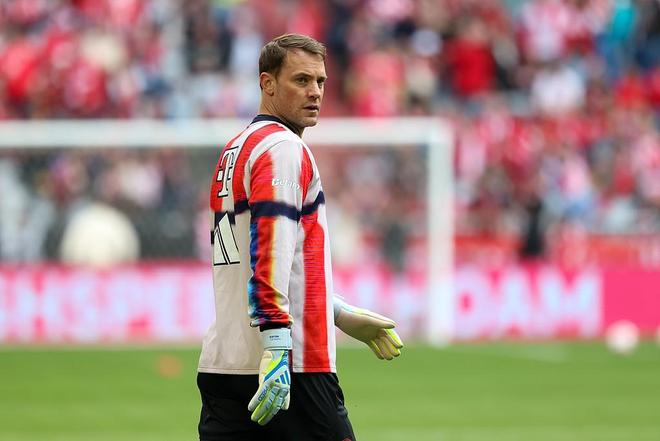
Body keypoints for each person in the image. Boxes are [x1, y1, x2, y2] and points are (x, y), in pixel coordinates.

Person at [196, 33, 404, 441]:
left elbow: (257, 259)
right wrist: (277, 345)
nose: (315, 92)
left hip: (225, 364)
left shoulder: (236, 149)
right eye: (301, 80)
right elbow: (270, 247)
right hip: (291, 365)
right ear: (267, 83)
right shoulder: (282, 148)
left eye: (320, 81)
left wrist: (336, 312)